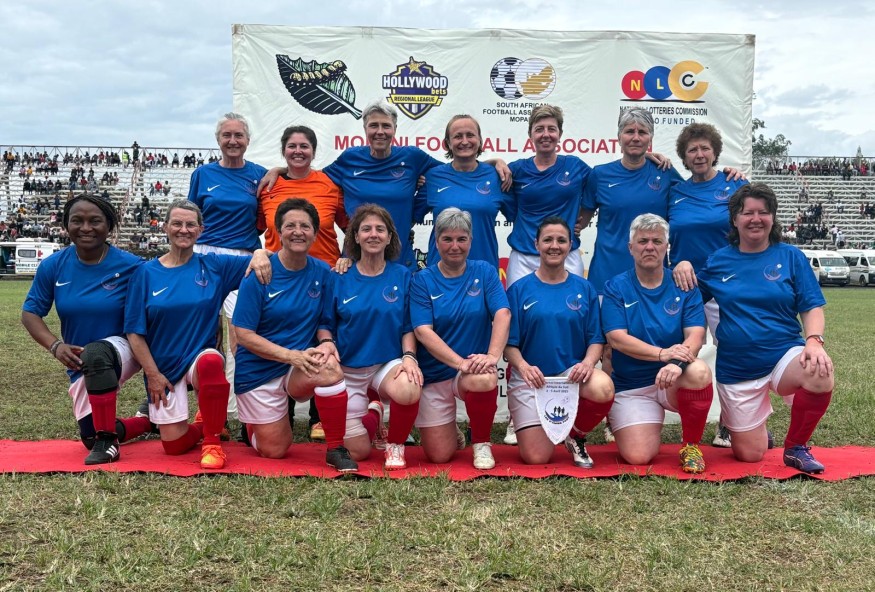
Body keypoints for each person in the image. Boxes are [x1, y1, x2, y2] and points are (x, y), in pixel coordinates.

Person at [261, 100, 510, 271]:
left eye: (386, 126)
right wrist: (280, 170)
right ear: (365, 129)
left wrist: (492, 163)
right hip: (355, 259)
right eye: (374, 125)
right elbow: (313, 177)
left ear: (395, 129)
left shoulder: (412, 157)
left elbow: (456, 168)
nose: (380, 131)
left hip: (399, 260)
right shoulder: (350, 159)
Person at [697, 183, 834, 474]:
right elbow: (688, 301)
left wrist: (814, 341)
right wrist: (683, 266)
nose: (756, 219)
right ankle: (756, 429)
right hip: (738, 367)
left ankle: (796, 447)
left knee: (819, 370)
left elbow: (811, 305)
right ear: (735, 219)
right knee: (750, 455)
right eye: (748, 213)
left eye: (763, 212)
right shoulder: (718, 261)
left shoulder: (791, 257)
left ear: (773, 217)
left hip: (783, 354)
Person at [125, 200, 269, 470]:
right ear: (165, 227)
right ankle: (206, 425)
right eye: (177, 223)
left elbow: (265, 259)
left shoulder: (214, 265)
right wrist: (153, 374)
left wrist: (260, 253)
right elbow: (134, 332)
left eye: (191, 224)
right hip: (164, 367)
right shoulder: (145, 273)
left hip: (200, 357)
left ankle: (212, 442)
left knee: (211, 362)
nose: (184, 229)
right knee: (174, 446)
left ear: (201, 230)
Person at [21, 194, 153, 465]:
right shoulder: (53, 266)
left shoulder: (132, 265)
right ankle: (147, 422)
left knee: (96, 355)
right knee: (90, 436)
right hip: (80, 360)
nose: (86, 228)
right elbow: (30, 313)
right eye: (77, 221)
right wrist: (56, 346)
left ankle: (109, 442)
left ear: (109, 226)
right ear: (66, 225)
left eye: (95, 221)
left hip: (125, 348)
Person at [232, 199, 357, 471]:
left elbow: (325, 320)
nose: (298, 231)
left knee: (330, 368)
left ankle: (336, 448)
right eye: (290, 226)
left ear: (315, 233)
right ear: (279, 232)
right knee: (275, 450)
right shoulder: (260, 273)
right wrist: (291, 356)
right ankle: (253, 425)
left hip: (297, 365)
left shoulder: (322, 272)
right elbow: (243, 334)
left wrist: (326, 342)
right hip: (260, 369)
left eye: (305, 226)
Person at [602, 214, 714, 473]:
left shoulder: (684, 285)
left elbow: (696, 336)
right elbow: (616, 338)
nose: (650, 247)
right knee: (638, 456)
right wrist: (663, 354)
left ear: (667, 247)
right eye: (643, 241)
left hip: (672, 378)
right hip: (632, 386)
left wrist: (675, 363)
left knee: (698, 371)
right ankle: (640, 419)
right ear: (631, 247)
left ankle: (691, 446)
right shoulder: (616, 287)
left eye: (657, 241)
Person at [257, 124, 347, 439]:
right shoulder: (268, 185)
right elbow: (257, 228)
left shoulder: (329, 185)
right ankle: (278, 412)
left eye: (304, 146)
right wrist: (258, 254)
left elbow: (352, 225)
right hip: (278, 277)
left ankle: (319, 418)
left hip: (324, 276)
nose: (298, 151)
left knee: (322, 338)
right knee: (282, 340)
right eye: (292, 146)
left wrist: (348, 257)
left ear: (313, 151)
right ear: (284, 150)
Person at [504, 216, 614, 468]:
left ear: (570, 245)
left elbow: (596, 339)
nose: (554, 246)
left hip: (569, 377)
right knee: (536, 458)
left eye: (561, 240)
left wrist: (588, 363)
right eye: (548, 240)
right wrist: (524, 368)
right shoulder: (518, 289)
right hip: (531, 378)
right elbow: (508, 345)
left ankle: (575, 436)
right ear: (536, 244)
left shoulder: (584, 288)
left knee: (603, 387)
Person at [321, 204, 422, 470]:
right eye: (366, 229)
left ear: (389, 237)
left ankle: (395, 445)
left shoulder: (403, 275)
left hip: (385, 365)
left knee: (409, 386)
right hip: (349, 370)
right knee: (359, 452)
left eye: (380, 229)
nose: (373, 234)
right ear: (355, 236)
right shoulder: (339, 276)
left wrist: (409, 357)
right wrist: (327, 343)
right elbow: (325, 324)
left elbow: (408, 326)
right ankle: (374, 415)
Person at [667, 123, 748, 448]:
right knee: (681, 351)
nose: (699, 154)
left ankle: (729, 422)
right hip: (684, 285)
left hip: (726, 285)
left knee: (732, 351)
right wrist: (675, 262)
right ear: (684, 157)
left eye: (704, 148)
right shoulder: (675, 190)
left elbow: (753, 228)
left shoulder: (735, 185)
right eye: (692, 150)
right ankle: (683, 423)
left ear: (715, 152)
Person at [410, 208, 510, 470]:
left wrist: (492, 356)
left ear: (470, 241)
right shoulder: (422, 280)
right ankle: (450, 427)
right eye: (447, 239)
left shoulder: (485, 271)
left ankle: (482, 443)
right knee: (439, 456)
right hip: (435, 374)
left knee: (484, 378)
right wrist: (459, 363)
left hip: (471, 372)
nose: (455, 246)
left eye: (461, 239)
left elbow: (502, 313)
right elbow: (422, 331)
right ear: (436, 242)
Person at [187, 112, 269, 422]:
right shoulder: (202, 174)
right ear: (218, 139)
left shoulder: (259, 175)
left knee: (239, 336)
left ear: (248, 140)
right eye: (227, 135)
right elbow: (191, 217)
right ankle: (209, 410)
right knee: (207, 336)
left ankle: (241, 406)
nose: (232, 141)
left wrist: (276, 170)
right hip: (205, 257)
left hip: (243, 260)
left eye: (238, 135)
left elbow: (266, 215)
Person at [505, 105, 593, 287]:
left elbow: (604, 183)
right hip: (524, 258)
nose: (546, 134)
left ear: (560, 134)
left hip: (566, 255)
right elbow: (478, 172)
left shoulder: (575, 166)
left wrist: (584, 219)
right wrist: (495, 162)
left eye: (551, 129)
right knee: (518, 306)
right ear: (530, 135)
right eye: (539, 129)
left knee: (572, 305)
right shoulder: (516, 170)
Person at [418, 114, 514, 269]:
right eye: (458, 136)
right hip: (440, 273)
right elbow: (408, 216)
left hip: (483, 271)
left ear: (480, 140)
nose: (464, 141)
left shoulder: (497, 176)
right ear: (448, 143)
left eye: (470, 135)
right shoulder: (433, 177)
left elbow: (520, 217)